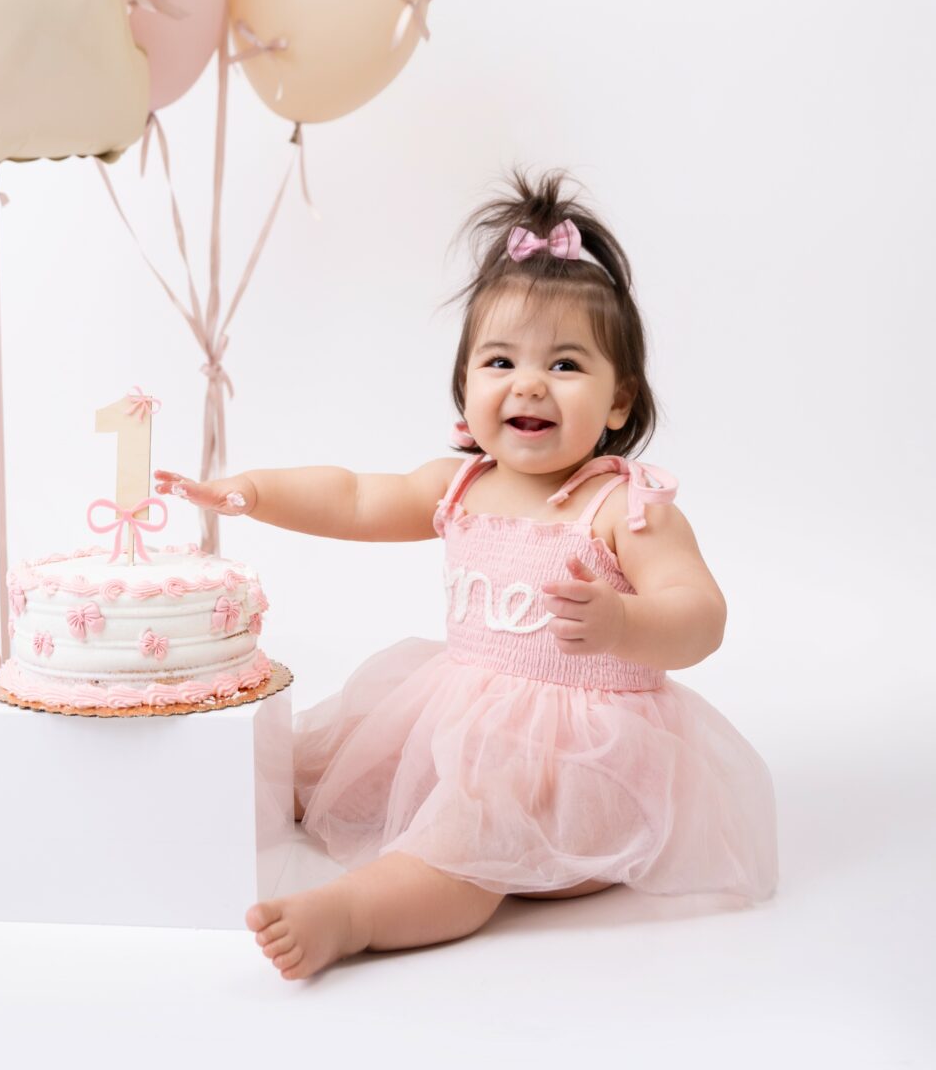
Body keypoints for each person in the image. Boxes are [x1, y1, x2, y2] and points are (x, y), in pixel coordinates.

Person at [154, 168, 778, 980]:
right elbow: (350, 496)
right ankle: (182, 819)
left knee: (470, 849)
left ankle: (356, 913)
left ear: (619, 402)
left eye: (563, 365)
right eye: (499, 361)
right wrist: (253, 493)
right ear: (466, 385)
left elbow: (701, 613)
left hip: (577, 759)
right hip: (456, 710)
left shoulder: (625, 510)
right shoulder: (459, 486)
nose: (527, 383)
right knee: (319, 773)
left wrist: (626, 625)